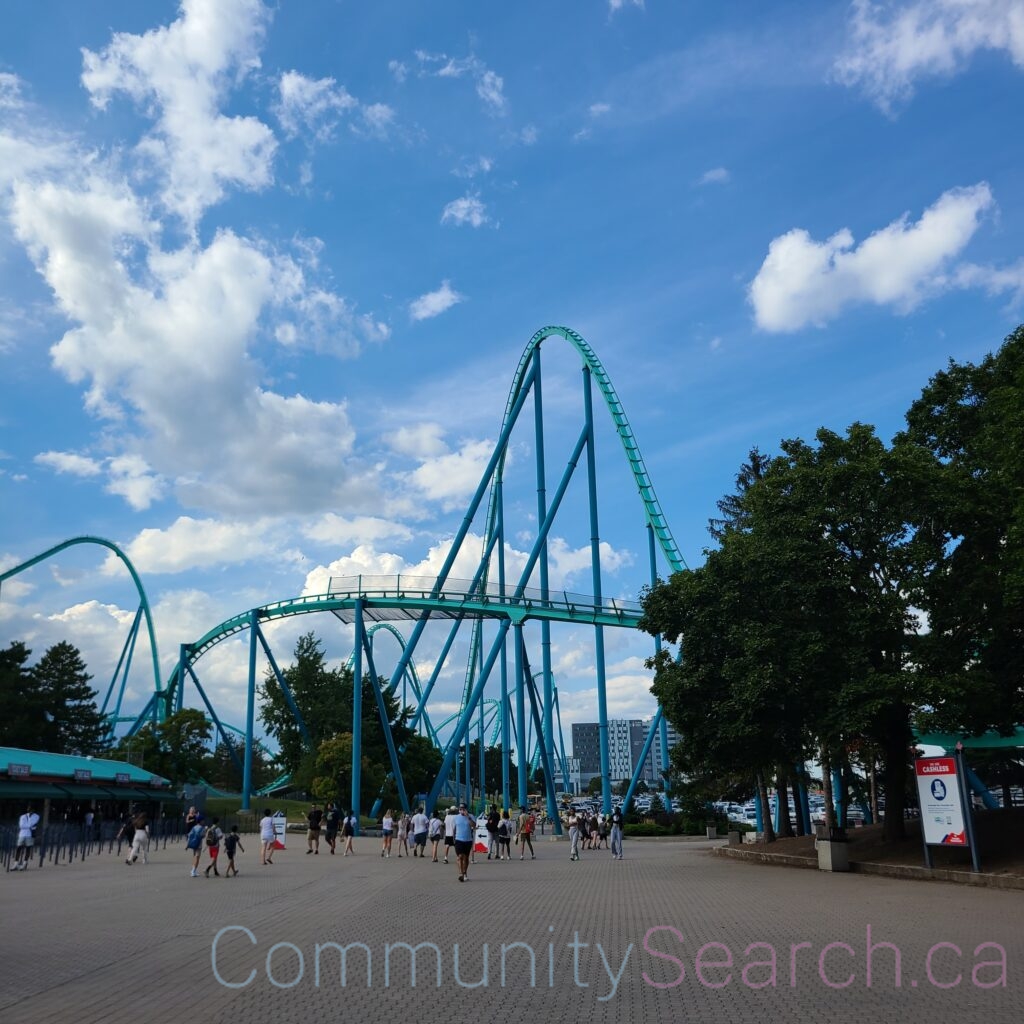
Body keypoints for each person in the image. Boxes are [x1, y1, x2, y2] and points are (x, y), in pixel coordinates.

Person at [11, 805, 40, 871]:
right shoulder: (23, 816)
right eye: (29, 809)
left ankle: (24, 864)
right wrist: (29, 826)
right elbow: (21, 825)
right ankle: (16, 863)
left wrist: (28, 825)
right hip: (22, 834)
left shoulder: (36, 816)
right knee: (19, 848)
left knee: (28, 849)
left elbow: (33, 823)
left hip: (30, 834)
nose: (30, 810)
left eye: (31, 809)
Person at [453, 803, 475, 882]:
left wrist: (468, 817)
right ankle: (461, 874)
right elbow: (454, 828)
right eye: (460, 809)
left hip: (468, 840)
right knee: (460, 857)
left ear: (466, 809)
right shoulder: (456, 817)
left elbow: (474, 826)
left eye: (463, 809)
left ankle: (465, 873)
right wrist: (453, 838)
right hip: (458, 839)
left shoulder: (471, 816)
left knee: (466, 858)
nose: (462, 811)